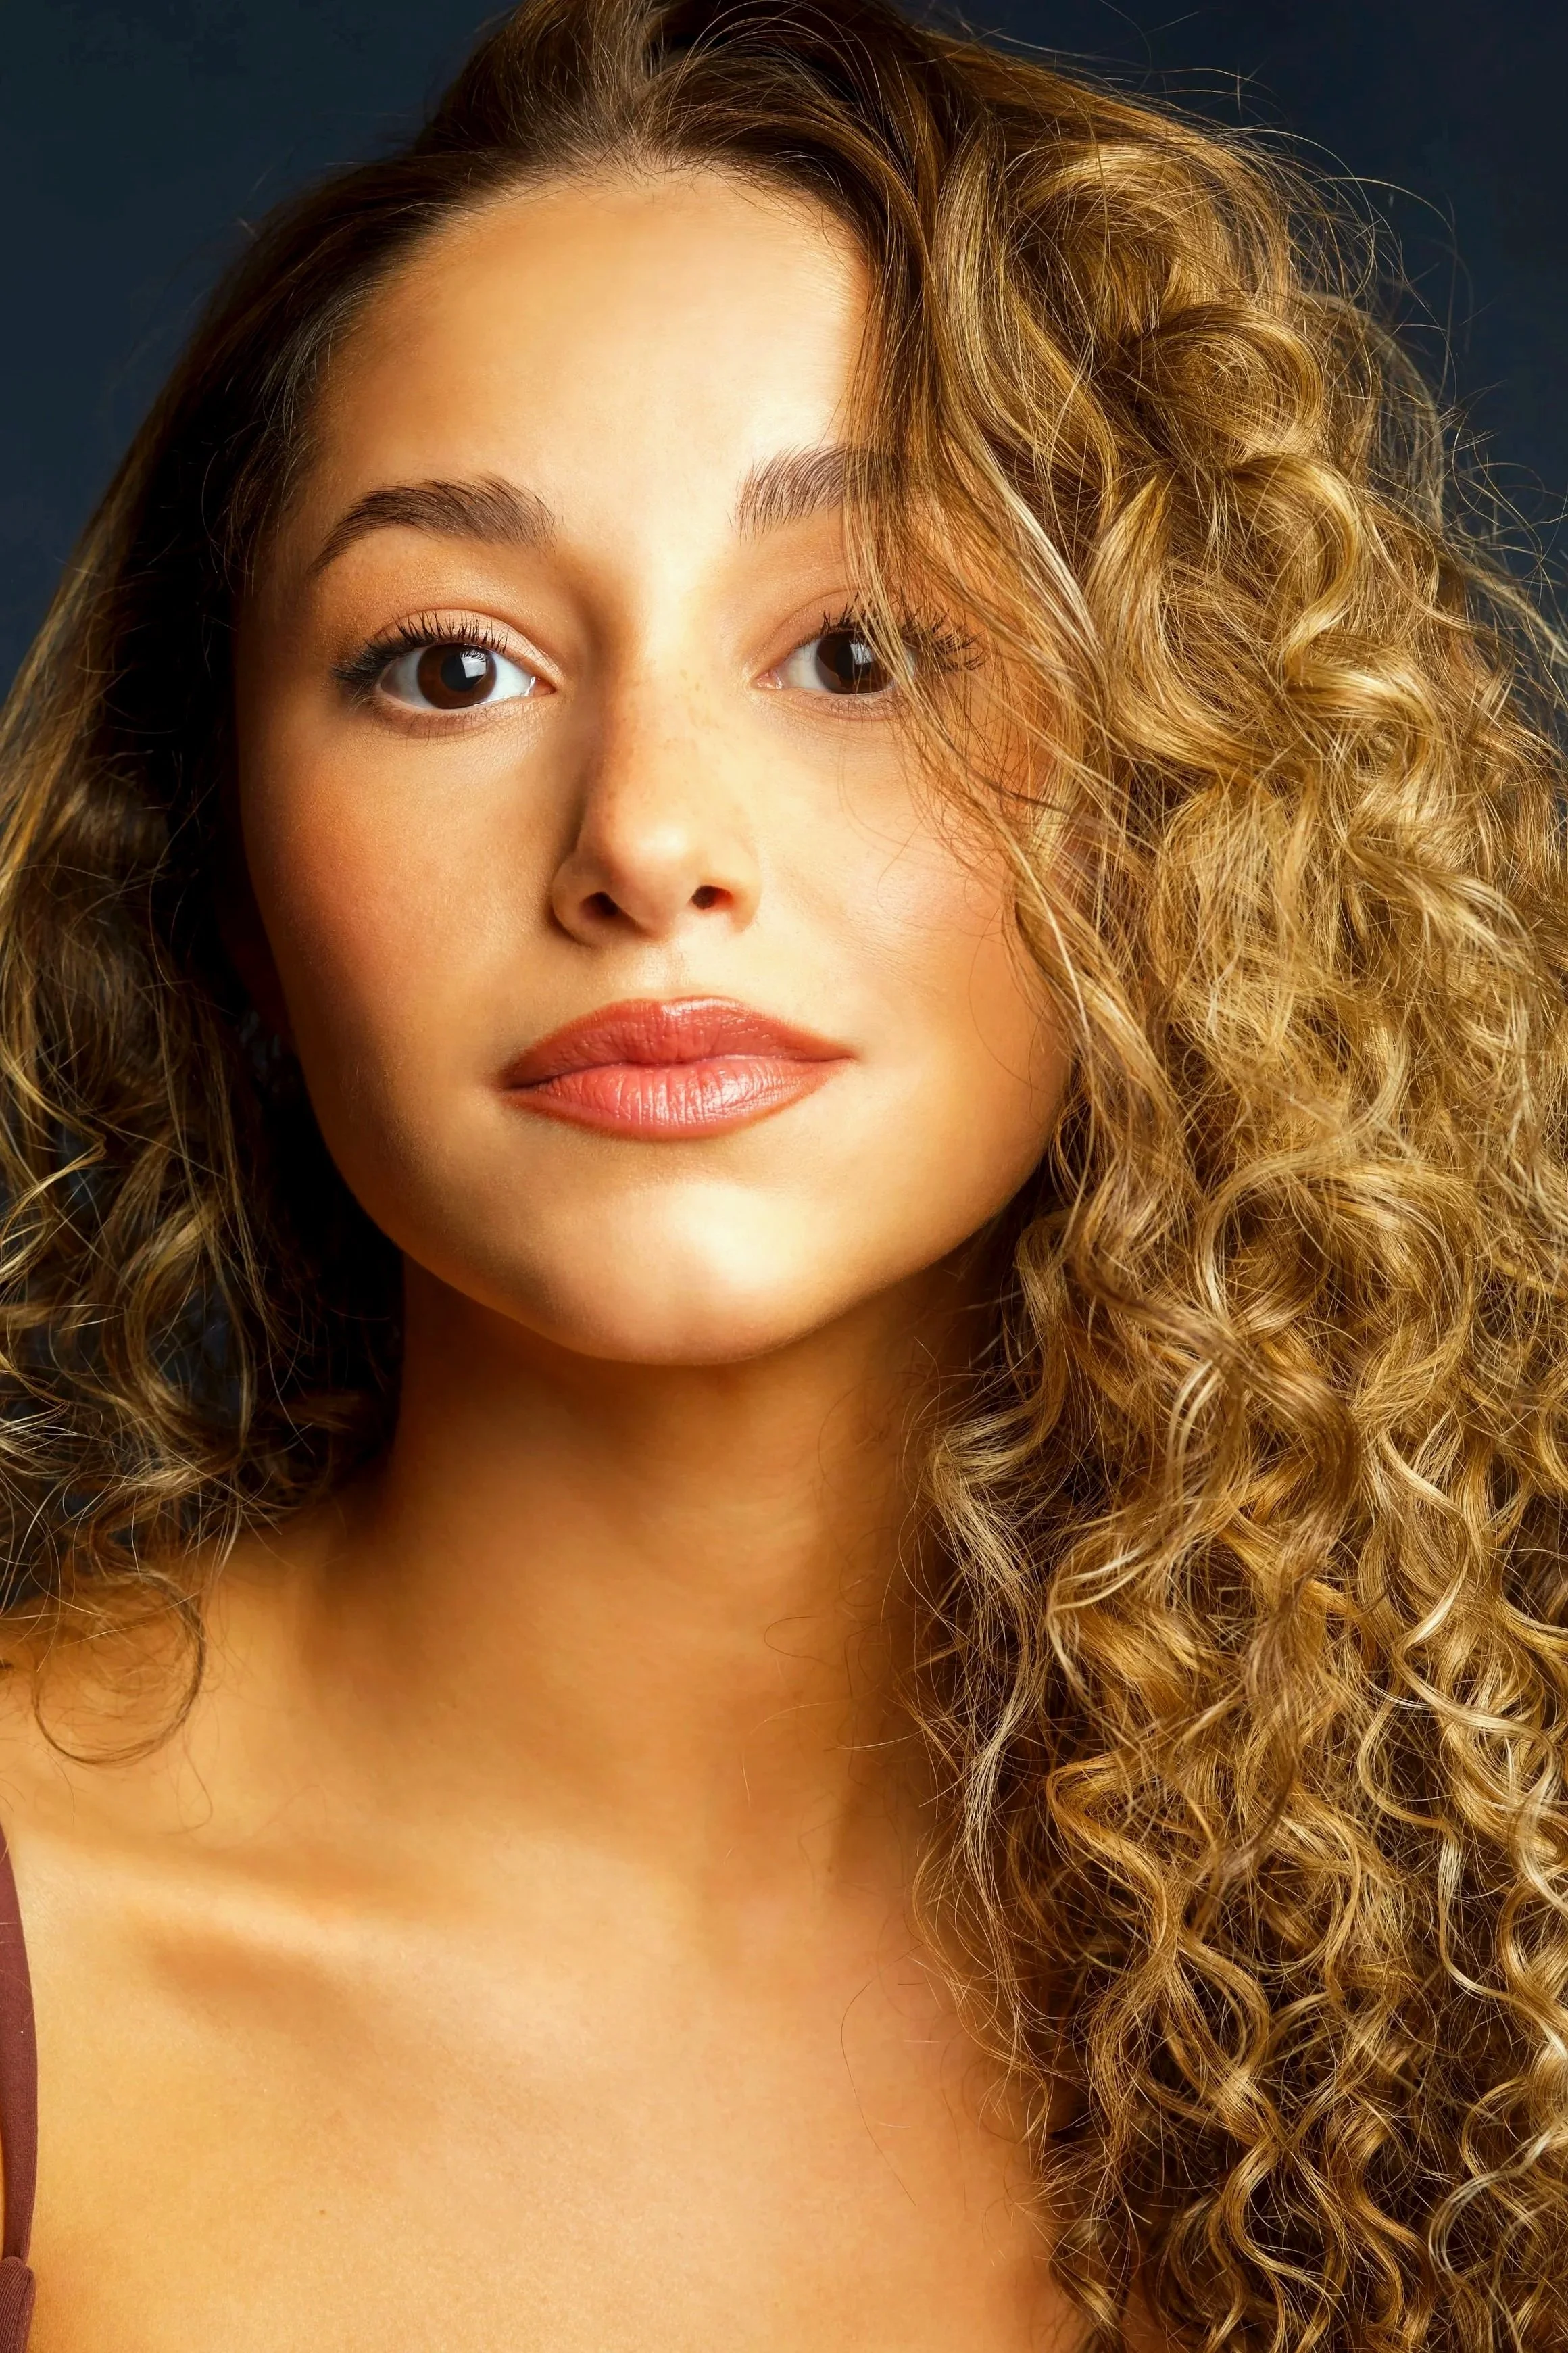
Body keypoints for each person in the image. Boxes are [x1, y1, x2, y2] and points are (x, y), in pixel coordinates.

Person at [0, 0, 1564, 2344]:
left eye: (860, 649)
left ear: (1178, 814)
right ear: (226, 864)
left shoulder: (1477, 1955)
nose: (647, 841)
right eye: (451, 669)